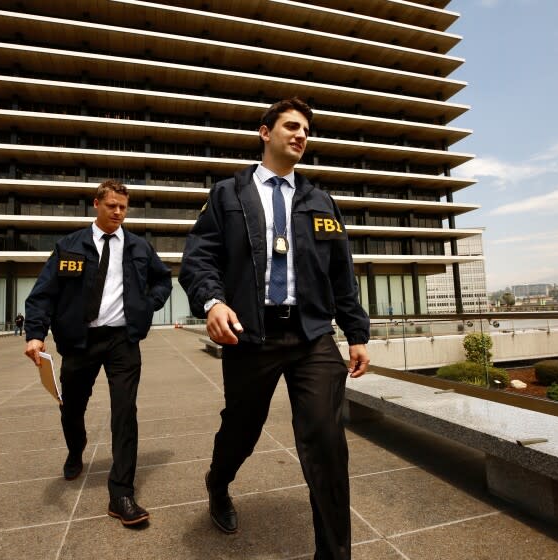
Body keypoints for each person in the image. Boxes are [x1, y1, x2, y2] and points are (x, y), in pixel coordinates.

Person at [179, 97, 370, 559]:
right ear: (265, 133)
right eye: (291, 126)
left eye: (306, 129)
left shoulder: (321, 201)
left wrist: (357, 332)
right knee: (241, 430)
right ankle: (218, 481)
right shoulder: (228, 194)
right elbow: (198, 258)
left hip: (312, 337)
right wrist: (213, 301)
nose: (301, 134)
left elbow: (341, 273)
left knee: (327, 441)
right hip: (250, 334)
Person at [24, 179, 172, 527]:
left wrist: (146, 306)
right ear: (96, 204)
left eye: (123, 207)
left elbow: (163, 280)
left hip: (123, 339)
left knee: (125, 411)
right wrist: (35, 334)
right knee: (71, 406)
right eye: (112, 206)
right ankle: (76, 449)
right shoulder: (70, 246)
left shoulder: (138, 246)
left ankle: (121, 493)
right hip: (79, 341)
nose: (119, 212)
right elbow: (43, 294)